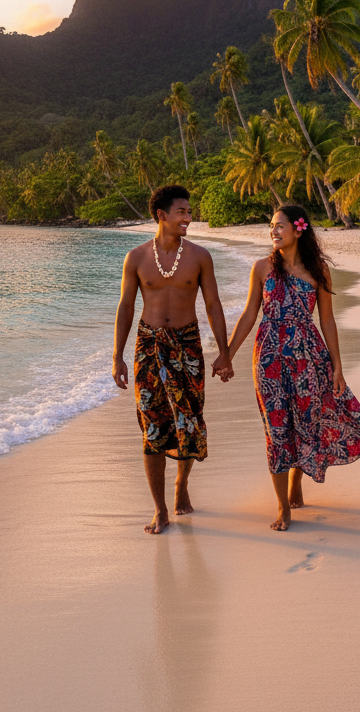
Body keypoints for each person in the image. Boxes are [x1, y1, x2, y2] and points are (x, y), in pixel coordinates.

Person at [213, 205, 360, 531]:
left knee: (305, 424)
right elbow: (250, 314)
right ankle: (283, 507)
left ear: (298, 230)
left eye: (279, 226)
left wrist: (338, 367)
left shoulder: (317, 271)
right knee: (276, 429)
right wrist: (227, 354)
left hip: (308, 357)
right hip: (267, 358)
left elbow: (327, 320)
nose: (273, 232)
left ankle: (297, 480)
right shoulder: (262, 268)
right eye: (271, 226)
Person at [113, 184, 234, 535]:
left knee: (188, 422)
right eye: (181, 211)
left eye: (189, 211)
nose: (188, 217)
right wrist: (117, 356)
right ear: (161, 215)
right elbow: (126, 307)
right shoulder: (136, 258)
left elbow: (212, 305)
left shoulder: (199, 256)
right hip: (148, 345)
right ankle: (160, 509)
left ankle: (181, 485)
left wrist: (223, 353)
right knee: (152, 427)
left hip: (188, 345)